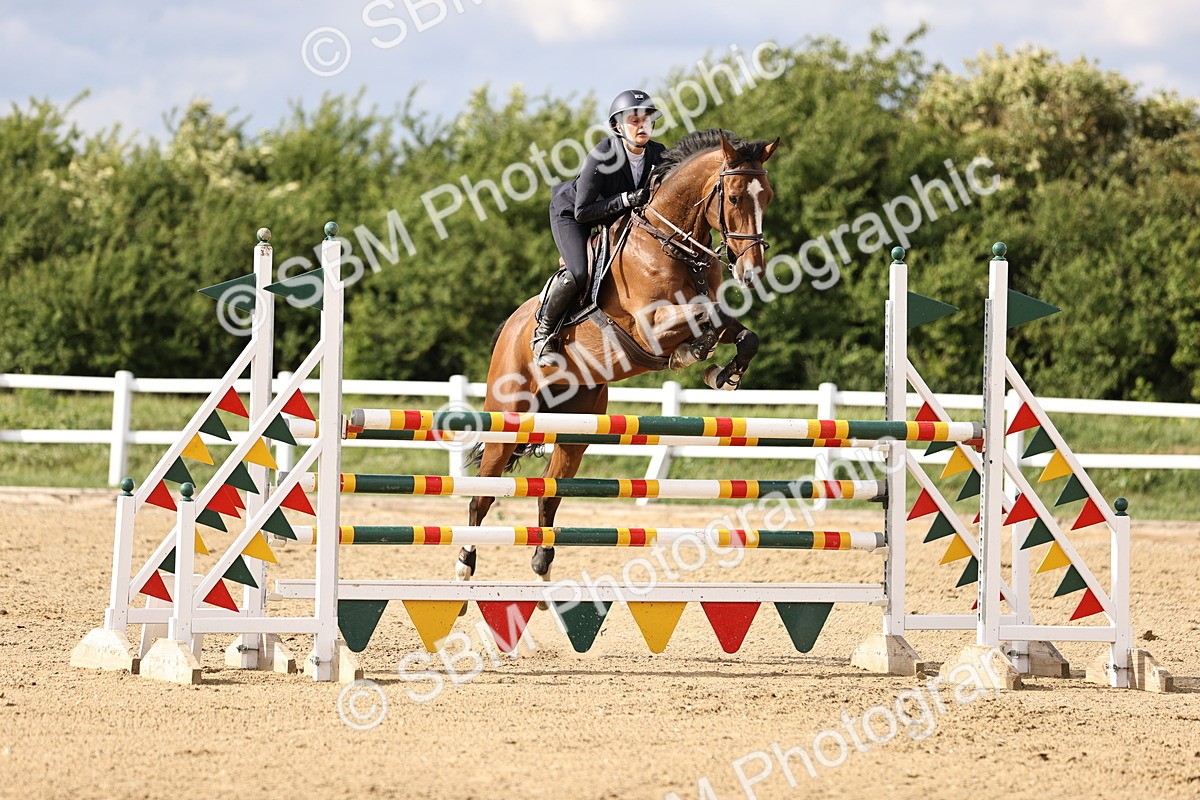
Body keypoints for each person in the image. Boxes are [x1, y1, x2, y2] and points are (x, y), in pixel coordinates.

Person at [533, 89, 667, 366]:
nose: (642, 125)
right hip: (573, 214)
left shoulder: (659, 154)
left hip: (616, 219)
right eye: (634, 120)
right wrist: (626, 199)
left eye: (647, 120)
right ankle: (543, 332)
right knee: (579, 272)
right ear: (618, 125)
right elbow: (583, 211)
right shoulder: (602, 155)